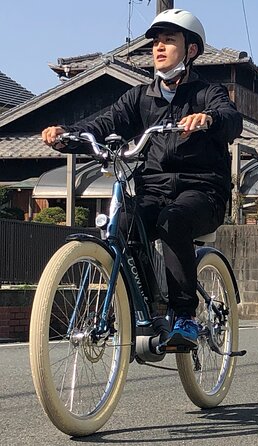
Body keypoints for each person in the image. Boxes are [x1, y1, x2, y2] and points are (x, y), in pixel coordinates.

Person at [41, 9, 244, 348]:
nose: (159, 48)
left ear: (191, 50)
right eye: (156, 42)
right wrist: (68, 133)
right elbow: (104, 123)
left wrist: (209, 119)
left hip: (203, 191)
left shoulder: (208, 93)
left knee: (172, 220)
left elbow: (231, 119)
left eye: (169, 40)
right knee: (122, 225)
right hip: (155, 190)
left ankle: (184, 317)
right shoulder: (139, 97)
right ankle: (145, 309)